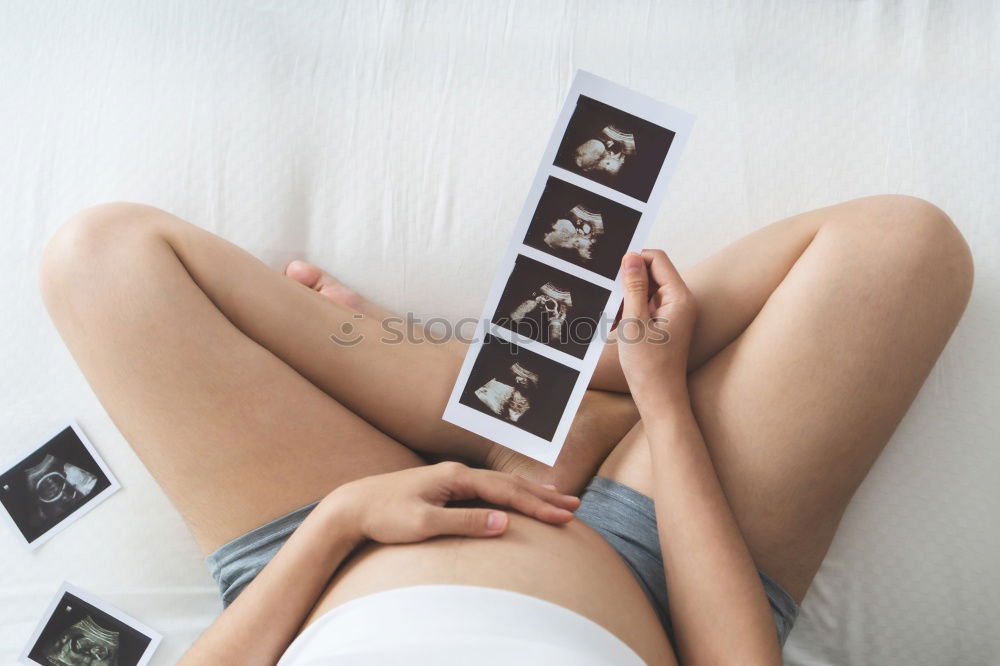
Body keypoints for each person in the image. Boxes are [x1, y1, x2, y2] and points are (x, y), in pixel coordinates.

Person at [38, 195, 972, 664]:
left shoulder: (336, 528)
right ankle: (564, 402)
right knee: (902, 246)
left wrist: (345, 519)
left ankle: (492, 409)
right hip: (661, 573)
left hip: (325, 554)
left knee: (102, 258)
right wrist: (659, 397)